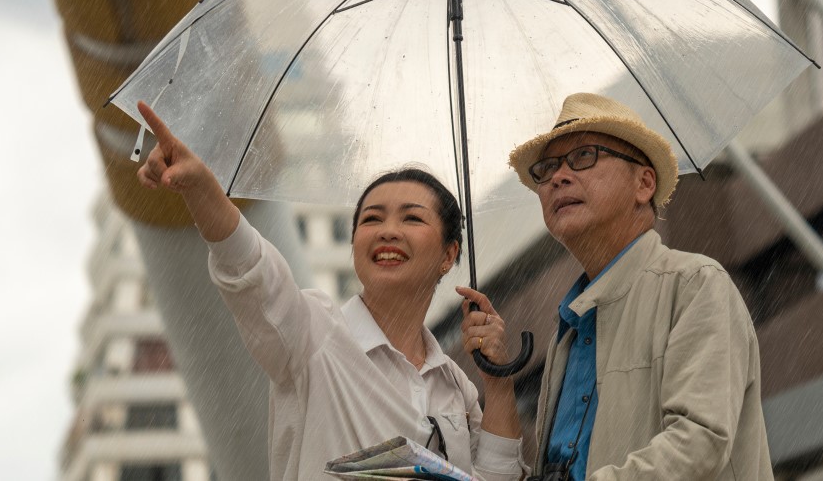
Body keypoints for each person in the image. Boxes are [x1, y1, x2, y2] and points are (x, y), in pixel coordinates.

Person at [134, 101, 531, 480]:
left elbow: (499, 476)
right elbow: (253, 272)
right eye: (372, 219)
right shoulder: (314, 334)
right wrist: (203, 189)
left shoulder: (453, 384)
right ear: (354, 243)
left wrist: (497, 382)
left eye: (411, 218)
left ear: (449, 255)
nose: (388, 231)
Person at [488, 92, 772, 479]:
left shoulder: (695, 285)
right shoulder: (566, 333)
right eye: (547, 167)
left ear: (644, 183)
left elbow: (699, 441)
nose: (558, 176)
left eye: (584, 156)